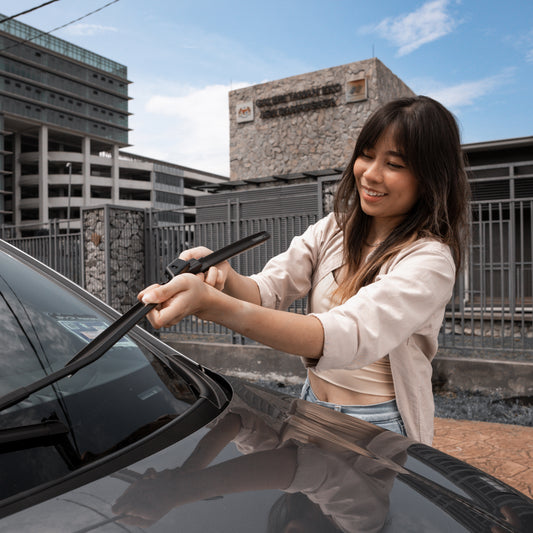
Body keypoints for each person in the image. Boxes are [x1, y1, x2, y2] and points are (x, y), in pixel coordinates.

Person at [139, 95, 470, 445]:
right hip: (311, 405)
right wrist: (224, 275)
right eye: (367, 155)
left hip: (377, 425)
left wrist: (213, 306)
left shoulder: (429, 260)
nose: (371, 174)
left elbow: (345, 334)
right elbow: (269, 290)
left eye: (395, 164)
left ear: (430, 177)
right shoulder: (334, 229)